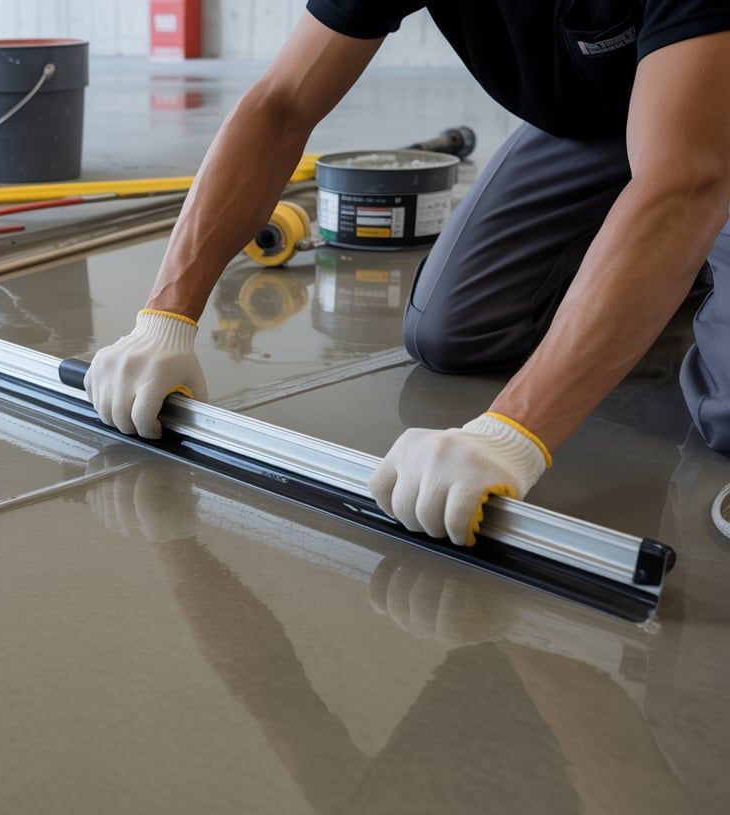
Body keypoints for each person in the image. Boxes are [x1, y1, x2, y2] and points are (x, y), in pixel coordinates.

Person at [84, 1, 730, 547]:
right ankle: (660, 271)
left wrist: (516, 432)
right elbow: (280, 105)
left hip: (714, 120)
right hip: (600, 121)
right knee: (455, 332)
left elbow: (687, 178)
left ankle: (669, 263)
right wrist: (164, 320)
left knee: (725, 413)